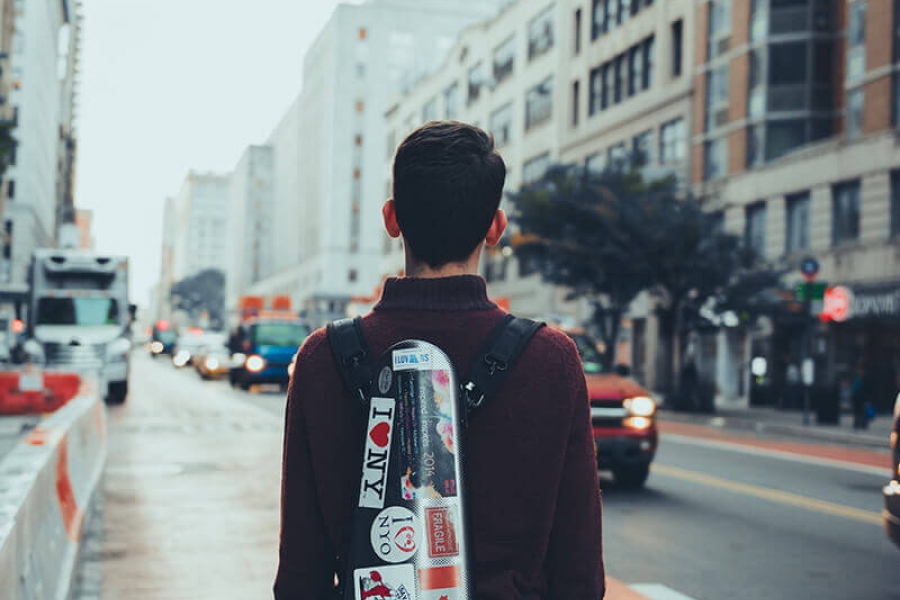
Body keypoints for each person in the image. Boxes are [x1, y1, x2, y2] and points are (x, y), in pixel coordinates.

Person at [274, 122, 604, 600]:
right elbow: (579, 573)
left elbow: (300, 573)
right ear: (495, 227)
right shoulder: (551, 359)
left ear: (391, 219)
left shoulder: (322, 359)